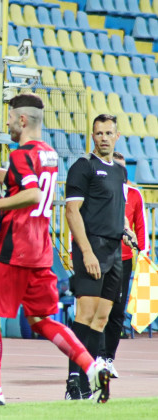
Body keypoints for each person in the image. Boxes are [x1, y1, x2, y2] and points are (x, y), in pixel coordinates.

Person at [0, 93, 111, 406]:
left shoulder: (22, 153)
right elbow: (16, 179)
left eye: (9, 117)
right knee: (42, 319)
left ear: (21, 120)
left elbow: (33, 193)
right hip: (40, 250)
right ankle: (91, 368)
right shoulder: (47, 154)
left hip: (12, 248)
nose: (7, 122)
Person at [64, 114, 137, 399]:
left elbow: (118, 211)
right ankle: (74, 382)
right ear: (92, 136)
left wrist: (126, 231)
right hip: (91, 249)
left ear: (117, 136)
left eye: (108, 133)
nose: (103, 137)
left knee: (102, 319)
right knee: (85, 315)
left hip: (115, 252)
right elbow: (72, 212)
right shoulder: (83, 167)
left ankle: (89, 378)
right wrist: (86, 251)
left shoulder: (119, 171)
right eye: (98, 133)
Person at [100, 151, 148, 378]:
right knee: (100, 308)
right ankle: (96, 356)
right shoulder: (99, 192)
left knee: (117, 311)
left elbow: (141, 227)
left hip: (125, 259)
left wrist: (143, 255)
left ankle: (108, 358)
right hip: (100, 257)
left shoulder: (135, 195)